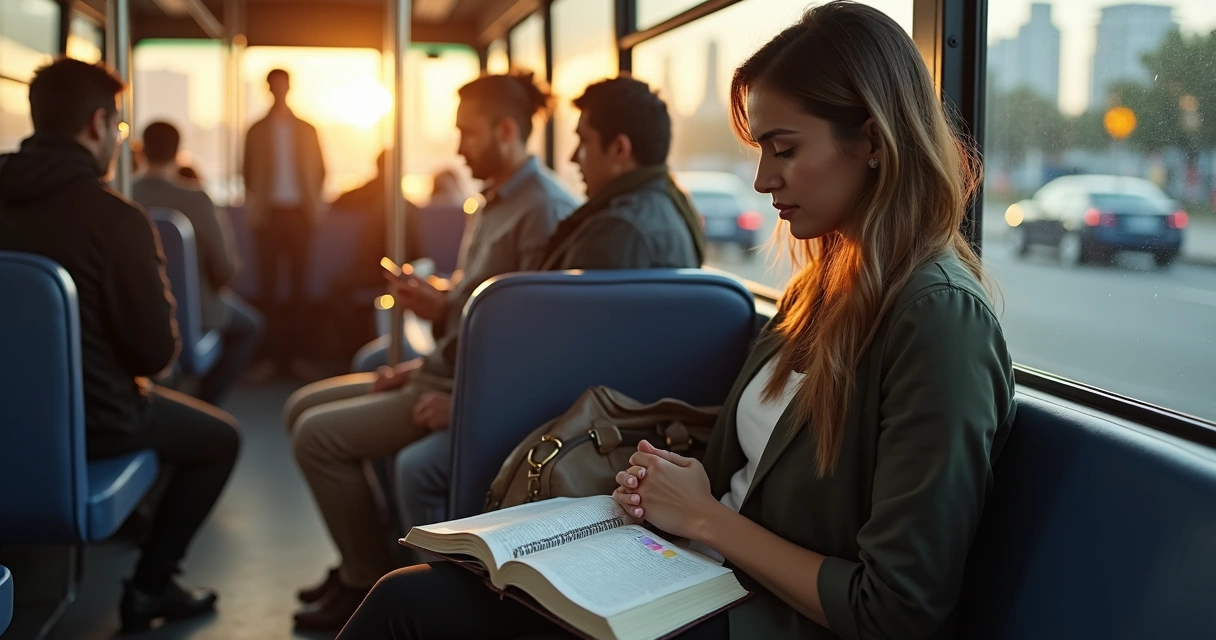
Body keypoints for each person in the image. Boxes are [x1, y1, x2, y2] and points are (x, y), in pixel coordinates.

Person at [335, 3, 1016, 639]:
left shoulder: (939, 320)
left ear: (872, 140)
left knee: (407, 611)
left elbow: (896, 608)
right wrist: (666, 488)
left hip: (758, 614)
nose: (762, 180)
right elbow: (753, 473)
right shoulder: (822, 289)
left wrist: (705, 518)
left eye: (783, 149)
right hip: (698, 571)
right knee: (416, 593)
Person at [280, 71, 577, 631]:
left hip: (462, 385)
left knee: (316, 437)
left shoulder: (543, 210)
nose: (459, 148)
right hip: (443, 370)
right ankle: (361, 558)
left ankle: (363, 577)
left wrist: (464, 403)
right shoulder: (492, 202)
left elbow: (530, 342)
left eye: (468, 133)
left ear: (506, 130)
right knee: (301, 407)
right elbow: (477, 310)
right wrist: (436, 311)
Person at [376, 74, 708, 540]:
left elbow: (564, 363)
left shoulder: (614, 235)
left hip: (588, 423)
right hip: (623, 413)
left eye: (583, 142)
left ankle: (430, 576)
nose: (573, 158)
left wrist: (469, 409)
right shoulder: (669, 210)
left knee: (417, 468)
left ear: (619, 149)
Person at [0, 58, 240, 633]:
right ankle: (150, 589)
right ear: (97, 123)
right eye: (118, 126)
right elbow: (155, 354)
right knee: (219, 440)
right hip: (93, 418)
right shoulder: (116, 219)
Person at [133, 121, 265, 405]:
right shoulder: (197, 199)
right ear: (177, 152)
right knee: (251, 326)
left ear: (142, 150)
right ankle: (204, 404)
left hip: (136, 310)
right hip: (194, 312)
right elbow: (225, 271)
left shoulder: (123, 194)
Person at [243, 68, 326, 380]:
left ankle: (298, 358)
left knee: (299, 288)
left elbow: (321, 170)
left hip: (301, 214)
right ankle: (269, 359)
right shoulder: (256, 130)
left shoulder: (307, 129)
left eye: (283, 85)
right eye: (275, 85)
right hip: (268, 215)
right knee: (268, 289)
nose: (279, 90)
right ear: (268, 88)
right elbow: (246, 171)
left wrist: (312, 203)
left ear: (289, 87)